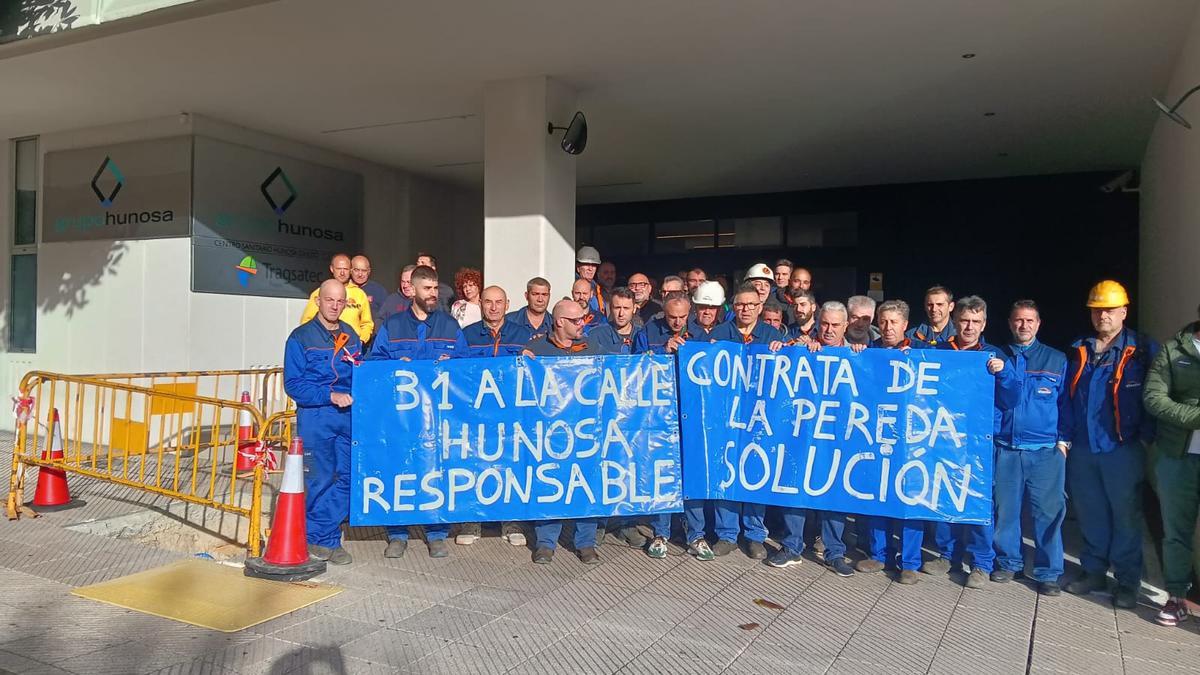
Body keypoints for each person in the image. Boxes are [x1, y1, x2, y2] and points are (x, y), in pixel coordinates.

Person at [1063, 281, 1156, 609]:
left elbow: (1156, 395)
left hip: (1122, 448)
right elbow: (1066, 397)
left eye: (1109, 309)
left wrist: (1145, 437)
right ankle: (1094, 572)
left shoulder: (1141, 350)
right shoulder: (1080, 348)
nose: (1102, 315)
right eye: (1097, 310)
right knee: (1091, 513)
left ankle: (1128, 582)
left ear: (1123, 312)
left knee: (1126, 517)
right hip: (1084, 448)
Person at [368, 265, 467, 559]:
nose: (433, 294)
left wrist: (453, 364)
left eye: (436, 289)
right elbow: (375, 364)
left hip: (437, 418)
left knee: (434, 473)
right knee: (400, 471)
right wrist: (397, 367)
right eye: (427, 289)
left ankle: (436, 533)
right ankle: (398, 533)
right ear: (412, 290)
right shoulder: (393, 325)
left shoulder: (450, 326)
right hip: (401, 419)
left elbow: (466, 366)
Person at [766, 301, 863, 577]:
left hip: (838, 437)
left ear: (846, 326)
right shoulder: (802, 349)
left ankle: (835, 552)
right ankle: (792, 546)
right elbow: (780, 363)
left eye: (835, 325)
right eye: (824, 324)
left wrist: (858, 355)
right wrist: (782, 348)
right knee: (796, 485)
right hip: (803, 433)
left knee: (834, 493)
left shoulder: (856, 354)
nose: (829, 330)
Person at [990, 299, 1070, 596]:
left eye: (1029, 321)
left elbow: (1067, 404)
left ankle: (1048, 572)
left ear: (1038, 324)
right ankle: (1009, 562)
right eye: (1018, 320)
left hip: (1045, 450)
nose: (1023, 326)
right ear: (1010, 323)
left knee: (1049, 513)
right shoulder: (996, 355)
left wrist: (1063, 442)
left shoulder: (1056, 359)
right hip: (1007, 447)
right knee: (1006, 510)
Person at [928, 295, 1004, 589]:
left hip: (979, 441)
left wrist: (1005, 373)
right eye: (964, 321)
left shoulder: (993, 356)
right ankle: (946, 554)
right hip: (945, 437)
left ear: (984, 324)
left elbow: (1010, 399)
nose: (969, 327)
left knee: (978, 501)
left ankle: (981, 563)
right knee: (944, 493)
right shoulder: (941, 352)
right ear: (955, 321)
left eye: (975, 322)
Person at [283, 279, 360, 567]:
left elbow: (360, 373)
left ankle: (318, 533)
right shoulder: (300, 337)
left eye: (340, 301)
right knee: (319, 480)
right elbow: (293, 384)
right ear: (318, 301)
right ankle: (328, 540)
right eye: (330, 300)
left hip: (348, 417)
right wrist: (329, 395)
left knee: (352, 478)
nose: (335, 306)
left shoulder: (350, 334)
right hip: (316, 417)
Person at [706, 285, 784, 560]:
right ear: (733, 307)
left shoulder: (772, 335)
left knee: (754, 473)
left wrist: (783, 352)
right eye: (740, 305)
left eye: (751, 304)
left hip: (759, 419)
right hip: (726, 418)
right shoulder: (718, 335)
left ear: (760, 307)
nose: (746, 309)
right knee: (725, 471)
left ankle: (754, 535)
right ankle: (726, 534)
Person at [523, 299, 601, 565]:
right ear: (560, 322)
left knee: (587, 484)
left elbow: (622, 371)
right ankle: (546, 542)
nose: (582, 324)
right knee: (550, 484)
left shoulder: (592, 348)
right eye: (577, 320)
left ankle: (586, 542)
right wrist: (519, 366)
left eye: (584, 319)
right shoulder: (535, 350)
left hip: (585, 432)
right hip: (550, 434)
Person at [456, 285, 532, 548]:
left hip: (511, 415)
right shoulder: (466, 335)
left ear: (507, 304)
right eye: (488, 302)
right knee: (473, 464)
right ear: (481, 304)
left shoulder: (523, 335)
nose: (493, 307)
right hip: (476, 414)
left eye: (499, 302)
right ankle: (471, 521)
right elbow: (458, 374)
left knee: (509, 466)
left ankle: (510, 522)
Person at [856, 300, 923, 584]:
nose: (887, 327)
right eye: (883, 322)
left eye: (894, 322)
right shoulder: (868, 353)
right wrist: (856, 356)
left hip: (910, 440)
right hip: (876, 436)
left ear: (905, 325)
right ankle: (878, 553)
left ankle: (909, 562)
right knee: (877, 493)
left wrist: (916, 362)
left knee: (909, 498)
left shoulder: (921, 354)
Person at [1144, 304, 1200, 626]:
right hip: (1177, 456)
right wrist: (1195, 417)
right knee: (1176, 531)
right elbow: (1154, 398)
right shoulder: (1173, 350)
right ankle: (1176, 597)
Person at [299, 254, 374, 343]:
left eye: (345, 269)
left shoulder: (359, 294)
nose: (342, 273)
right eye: (339, 269)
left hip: (352, 346)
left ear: (350, 270)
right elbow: (306, 321)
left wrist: (361, 341)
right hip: (326, 344)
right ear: (332, 269)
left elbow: (367, 323)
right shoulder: (320, 292)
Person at [588, 287, 638, 354]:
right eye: (617, 308)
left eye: (626, 308)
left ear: (634, 309)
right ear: (610, 308)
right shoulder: (596, 335)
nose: (621, 314)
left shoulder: (643, 335)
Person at [350, 255, 388, 322]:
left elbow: (385, 316)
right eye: (356, 270)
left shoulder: (379, 291)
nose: (360, 274)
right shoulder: (344, 289)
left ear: (369, 271)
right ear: (351, 270)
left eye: (364, 271)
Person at [576, 245, 607, 319]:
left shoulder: (597, 288)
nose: (590, 269)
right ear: (578, 267)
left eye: (593, 265)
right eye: (586, 264)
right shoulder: (571, 285)